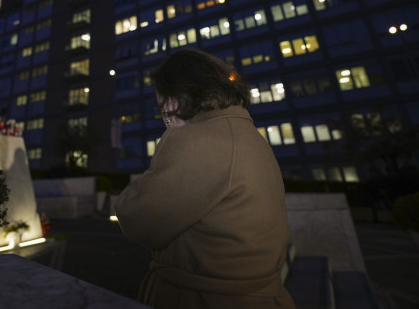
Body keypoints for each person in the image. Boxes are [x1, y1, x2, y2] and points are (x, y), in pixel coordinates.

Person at [114, 48, 294, 309]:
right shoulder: (249, 134)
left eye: (163, 105)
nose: (164, 115)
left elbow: (136, 218)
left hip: (204, 299)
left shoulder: (197, 139)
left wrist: (174, 136)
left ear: (178, 94)